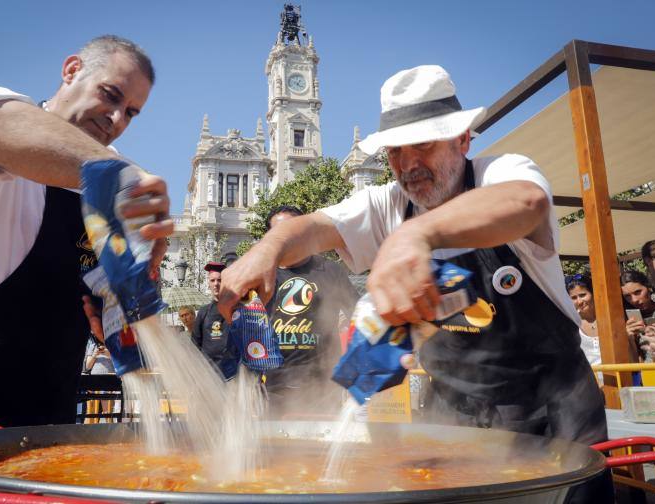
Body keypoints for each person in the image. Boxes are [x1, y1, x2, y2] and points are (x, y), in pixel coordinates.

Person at [220, 65, 610, 501]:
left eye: (422, 145)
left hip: (556, 414)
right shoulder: (388, 204)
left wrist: (415, 235)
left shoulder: (502, 171)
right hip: (452, 416)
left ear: (462, 139)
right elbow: (312, 227)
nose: (408, 165)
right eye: (394, 152)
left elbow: (526, 202)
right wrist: (267, 249)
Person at [0, 35, 172, 503]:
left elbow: (103, 290)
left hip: (52, 422)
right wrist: (119, 175)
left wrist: (121, 306)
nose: (117, 119)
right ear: (70, 71)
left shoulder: (102, 187)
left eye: (132, 112)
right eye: (111, 96)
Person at [261, 205, 359, 410]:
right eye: (278, 233)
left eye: (292, 229)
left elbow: (357, 315)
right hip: (274, 386)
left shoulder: (330, 271)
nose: (286, 238)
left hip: (323, 387)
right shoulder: (262, 275)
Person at [621, 270, 655, 362]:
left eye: (638, 292)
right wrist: (630, 339)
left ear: (648, 287)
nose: (634, 300)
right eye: (627, 296)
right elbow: (636, 364)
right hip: (649, 373)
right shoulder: (629, 321)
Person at [192, 262, 230, 368]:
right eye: (212, 280)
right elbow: (195, 343)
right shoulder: (203, 312)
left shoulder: (236, 311)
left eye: (219, 280)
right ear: (208, 283)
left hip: (232, 371)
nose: (216, 284)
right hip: (209, 371)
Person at [565, 274, 603, 380]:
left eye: (582, 295)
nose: (579, 301)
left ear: (593, 293)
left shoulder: (609, 319)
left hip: (615, 381)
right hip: (586, 384)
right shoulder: (572, 324)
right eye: (574, 298)